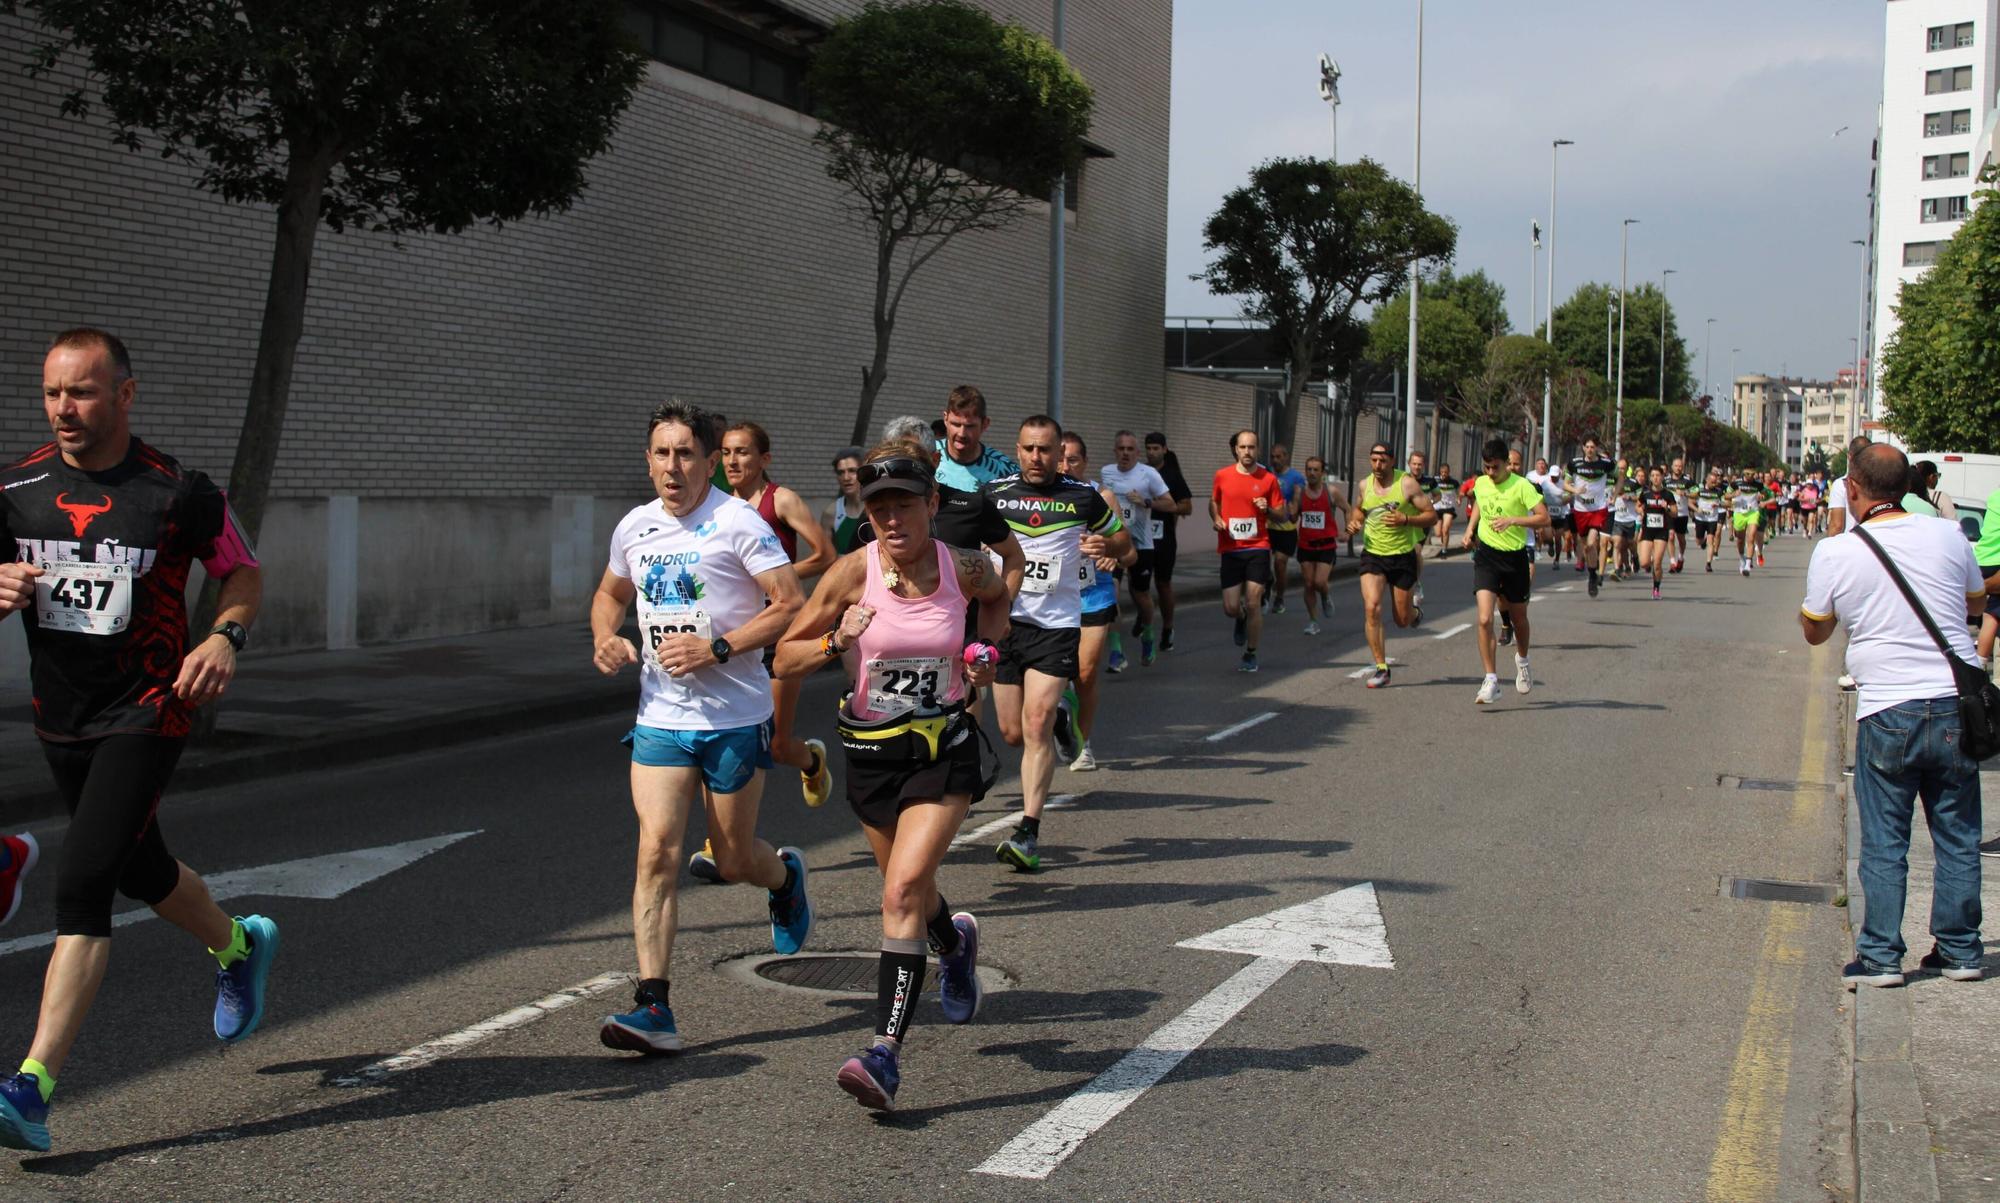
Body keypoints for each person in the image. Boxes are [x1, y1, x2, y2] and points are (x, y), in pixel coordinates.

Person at [0, 329, 273, 1154]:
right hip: (62, 715)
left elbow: (244, 572)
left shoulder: (175, 492)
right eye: (52, 393)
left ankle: (32, 1086)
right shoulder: (16, 488)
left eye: (81, 392)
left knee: (83, 884)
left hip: (151, 708)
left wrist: (224, 635)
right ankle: (238, 943)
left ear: (125, 394)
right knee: (139, 867)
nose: (64, 409)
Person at [772, 442, 1007, 1111]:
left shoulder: (962, 565)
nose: (892, 519)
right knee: (911, 890)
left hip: (943, 751)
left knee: (901, 888)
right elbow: (783, 661)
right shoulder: (851, 572)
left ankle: (884, 1052)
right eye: (878, 508)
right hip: (872, 757)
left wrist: (985, 649)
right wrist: (833, 642)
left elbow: (998, 596)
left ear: (932, 503)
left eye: (904, 504)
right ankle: (954, 943)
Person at [591, 400, 814, 1054]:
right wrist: (605, 635)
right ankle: (653, 1005)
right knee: (655, 849)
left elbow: (789, 603)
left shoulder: (738, 522)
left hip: (734, 716)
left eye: (685, 453)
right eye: (661, 453)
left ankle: (784, 878)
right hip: (660, 716)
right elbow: (610, 595)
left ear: (710, 461)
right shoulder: (634, 527)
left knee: (735, 856)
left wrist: (719, 647)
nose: (672, 466)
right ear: (648, 459)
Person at [1800, 444, 1986, 987]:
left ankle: (1881, 957)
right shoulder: (1950, 536)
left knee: (1885, 839)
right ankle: (1961, 951)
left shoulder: (1837, 551)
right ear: (1907, 487)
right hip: (1954, 704)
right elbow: (1975, 604)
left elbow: (1816, 629)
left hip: (1887, 708)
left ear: (1852, 488)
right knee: (1957, 833)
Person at [988, 417, 1129, 871]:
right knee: (1012, 732)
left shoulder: (1081, 496)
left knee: (1035, 722)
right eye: (1028, 448)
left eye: (1045, 450)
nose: (1036, 457)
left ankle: (1028, 832)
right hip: (1006, 625)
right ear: (1018, 448)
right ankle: (1063, 717)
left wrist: (1109, 549)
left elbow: (1125, 543)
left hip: (1057, 627)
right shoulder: (995, 495)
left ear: (1058, 451)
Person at [715, 421, 837, 827]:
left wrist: (776, 576)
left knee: (780, 744)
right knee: (735, 738)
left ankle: (811, 758)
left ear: (764, 459)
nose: (733, 460)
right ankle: (725, 839)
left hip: (780, 632)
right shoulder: (718, 508)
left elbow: (825, 555)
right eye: (728, 452)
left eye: (743, 452)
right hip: (739, 636)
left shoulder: (780, 500)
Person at [1060, 433, 1138, 771]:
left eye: (1073, 459)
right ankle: (1061, 711)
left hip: (1093, 595)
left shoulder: (1101, 496)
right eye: (1060, 459)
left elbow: (1129, 551)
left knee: (1086, 672)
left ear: (1086, 462)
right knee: (1057, 675)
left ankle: (1083, 742)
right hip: (1050, 599)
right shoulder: (1038, 499)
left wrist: (1110, 552)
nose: (1065, 466)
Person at [1460, 438, 1549, 704]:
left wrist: (1513, 520)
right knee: (1485, 619)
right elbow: (1478, 502)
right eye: (1486, 467)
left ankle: (1522, 660)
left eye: (1495, 468)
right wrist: (1469, 529)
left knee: (1519, 618)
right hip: (1487, 556)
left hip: (1515, 559)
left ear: (1507, 465)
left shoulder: (1522, 486)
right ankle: (1491, 680)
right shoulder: (1481, 482)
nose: (1490, 473)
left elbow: (1544, 518)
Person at [1349, 442, 1435, 688]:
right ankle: (1381, 667)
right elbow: (1358, 511)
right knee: (1372, 607)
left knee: (1402, 619)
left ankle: (1415, 612)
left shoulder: (1406, 484)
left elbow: (1431, 515)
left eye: (1382, 461)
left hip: (1401, 556)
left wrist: (1406, 518)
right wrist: (1354, 523)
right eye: (1374, 460)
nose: (1377, 465)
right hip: (1373, 555)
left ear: (1392, 461)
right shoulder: (1365, 485)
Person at [1211, 429, 1288, 673]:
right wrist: (1216, 518)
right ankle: (1240, 618)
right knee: (1230, 608)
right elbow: (1215, 503)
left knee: (1254, 602)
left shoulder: (1268, 479)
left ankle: (1251, 653)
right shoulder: (1222, 476)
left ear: (1258, 450)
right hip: (1231, 548)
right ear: (1236, 449)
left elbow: (1282, 513)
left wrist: (1268, 509)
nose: (1247, 451)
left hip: (1258, 546)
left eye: (1252, 447)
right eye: (1243, 447)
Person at [1100, 431, 1175, 666]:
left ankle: (1149, 634)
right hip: (1115, 541)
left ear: (1137, 453)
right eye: (1121, 449)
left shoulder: (1148, 474)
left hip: (1142, 543)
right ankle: (1116, 651)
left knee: (1141, 594)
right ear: (1115, 451)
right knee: (1112, 594)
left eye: (1130, 449)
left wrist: (1146, 502)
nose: (1125, 453)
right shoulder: (1106, 472)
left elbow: (1171, 503)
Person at [1142, 433, 1195, 652]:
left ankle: (1167, 627)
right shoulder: (1139, 473)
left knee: (1163, 584)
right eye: (1149, 448)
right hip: (1140, 537)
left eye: (1156, 448)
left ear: (1164, 450)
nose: (1152, 452)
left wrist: (1162, 506)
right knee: (1139, 586)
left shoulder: (1173, 476)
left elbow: (1187, 507)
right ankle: (1144, 620)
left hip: (1164, 539)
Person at [1294, 455, 1351, 636]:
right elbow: (1294, 517)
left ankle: (1326, 596)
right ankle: (1313, 621)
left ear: (1322, 473)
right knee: (1309, 583)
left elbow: (1348, 509)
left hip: (1326, 545)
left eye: (1315, 470)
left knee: (1319, 582)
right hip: (1305, 544)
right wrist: (1290, 507)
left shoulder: (1331, 492)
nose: (1311, 473)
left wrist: (1348, 532)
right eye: (1308, 469)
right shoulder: (1300, 492)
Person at [934, 385, 1018, 493]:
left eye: (970, 426)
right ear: (945, 419)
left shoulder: (1007, 471)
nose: (962, 434)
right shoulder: (924, 457)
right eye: (956, 424)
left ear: (985, 424)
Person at [1564, 438, 1617, 596]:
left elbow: (1620, 477)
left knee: (1592, 542)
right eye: (1587, 447)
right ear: (1583, 448)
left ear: (1597, 448)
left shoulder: (1606, 463)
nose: (1589, 449)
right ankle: (1592, 573)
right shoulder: (1574, 464)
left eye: (1592, 447)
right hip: (1581, 510)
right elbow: (1565, 483)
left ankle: (1593, 577)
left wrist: (1614, 494)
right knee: (1586, 546)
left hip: (1598, 509)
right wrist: (1574, 491)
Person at [1264, 443, 1308, 614]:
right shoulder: (1266, 475)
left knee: (1280, 563)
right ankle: (1267, 584)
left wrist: (1295, 509)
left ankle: (1279, 596)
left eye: (1278, 456)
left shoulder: (1295, 477)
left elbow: (1298, 499)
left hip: (1286, 529)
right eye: (1272, 457)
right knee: (1262, 566)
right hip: (1266, 527)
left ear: (1286, 457)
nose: (1275, 460)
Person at [1635, 467, 1677, 600]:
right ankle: (1644, 560)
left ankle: (1656, 588)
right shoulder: (1645, 492)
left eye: (1658, 475)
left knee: (1657, 563)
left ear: (1663, 477)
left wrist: (1667, 508)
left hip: (1661, 531)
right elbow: (1638, 505)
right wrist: (1641, 512)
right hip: (1647, 530)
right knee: (1644, 563)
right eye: (1652, 475)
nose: (1655, 478)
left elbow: (1675, 513)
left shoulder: (1668, 494)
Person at [1405, 451, 1439, 605]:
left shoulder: (1429, 481)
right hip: (1406, 520)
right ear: (1409, 464)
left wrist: (1430, 501)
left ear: (1423, 465)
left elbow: (1438, 495)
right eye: (1414, 463)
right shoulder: (1403, 480)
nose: (1417, 467)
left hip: (1423, 520)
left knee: (1417, 550)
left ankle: (1417, 582)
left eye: (1420, 464)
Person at [822, 446, 866, 555]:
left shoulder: (878, 508)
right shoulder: (831, 512)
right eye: (841, 472)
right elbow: (825, 558)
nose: (846, 477)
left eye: (852, 471)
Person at [1729, 468, 1768, 577]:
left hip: (1752, 512)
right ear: (1744, 474)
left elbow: (1764, 494)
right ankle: (1742, 558)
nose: (1750, 476)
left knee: (1751, 536)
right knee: (1740, 540)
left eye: (1752, 474)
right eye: (1748, 474)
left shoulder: (1758, 484)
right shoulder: (1735, 483)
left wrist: (1761, 496)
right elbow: (1725, 495)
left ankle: (1748, 564)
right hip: (1739, 513)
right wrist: (1733, 495)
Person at [1692, 468, 1727, 572]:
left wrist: (1719, 504)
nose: (1714, 484)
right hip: (1700, 518)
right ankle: (1703, 541)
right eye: (1712, 482)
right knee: (1699, 541)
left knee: (1711, 540)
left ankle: (1708, 563)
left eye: (1715, 482)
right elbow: (1690, 501)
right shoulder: (1699, 490)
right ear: (1706, 480)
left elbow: (1728, 504)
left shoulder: (1719, 491)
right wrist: (1696, 509)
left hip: (1712, 518)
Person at [1665, 456, 1695, 571]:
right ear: (1672, 467)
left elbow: (1696, 493)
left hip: (1682, 513)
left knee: (1681, 539)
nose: (1678, 468)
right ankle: (1672, 562)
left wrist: (1685, 493)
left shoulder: (1687, 480)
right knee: (1671, 536)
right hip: (1670, 513)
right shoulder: (1666, 480)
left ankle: (1681, 557)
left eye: (1680, 466)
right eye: (1676, 466)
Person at [1433, 463, 1461, 554]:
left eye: (1446, 472)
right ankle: (1443, 537)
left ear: (1449, 472)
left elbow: (1459, 493)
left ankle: (1444, 549)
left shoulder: (1454, 482)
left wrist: (1458, 499)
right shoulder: (1435, 481)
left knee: (1445, 529)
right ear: (1440, 472)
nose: (1444, 474)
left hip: (1448, 508)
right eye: (1442, 472)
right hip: (1437, 508)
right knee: (1438, 533)